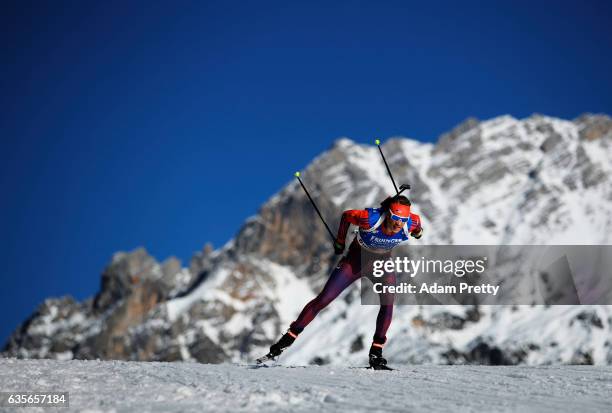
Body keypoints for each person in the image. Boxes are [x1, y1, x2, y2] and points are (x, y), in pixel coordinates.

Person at [265, 194, 423, 368]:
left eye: (403, 219)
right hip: (354, 262)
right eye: (395, 218)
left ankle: (376, 354)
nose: (398, 224)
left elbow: (418, 229)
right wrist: (340, 241)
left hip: (381, 265)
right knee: (324, 299)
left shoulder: (411, 222)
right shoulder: (370, 219)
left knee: (388, 304)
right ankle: (286, 340)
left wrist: (418, 232)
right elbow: (347, 215)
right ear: (388, 213)